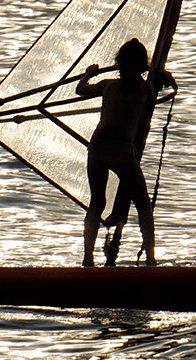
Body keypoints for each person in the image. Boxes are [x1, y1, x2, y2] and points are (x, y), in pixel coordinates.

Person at [75, 39, 175, 267]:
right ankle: (151, 260)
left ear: (119, 64)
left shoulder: (108, 85)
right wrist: (163, 76)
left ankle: (87, 259)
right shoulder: (145, 88)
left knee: (97, 203)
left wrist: (89, 73)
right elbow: (156, 91)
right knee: (143, 203)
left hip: (98, 148)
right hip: (120, 152)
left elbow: (80, 89)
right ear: (142, 66)